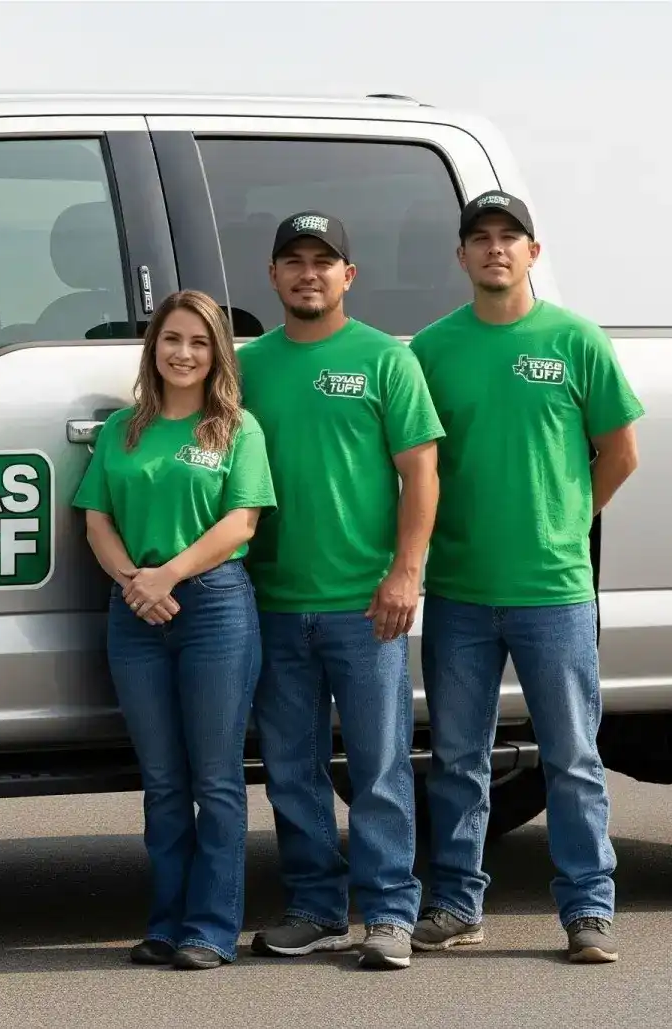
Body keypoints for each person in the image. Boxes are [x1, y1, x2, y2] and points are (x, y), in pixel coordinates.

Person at [408, 192, 642, 963]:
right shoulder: (432, 349)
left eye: (509, 238)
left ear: (532, 253)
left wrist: (568, 520)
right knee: (456, 757)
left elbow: (619, 449)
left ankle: (586, 910)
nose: (494, 249)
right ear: (461, 257)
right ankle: (453, 902)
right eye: (479, 239)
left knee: (571, 757)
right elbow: (416, 461)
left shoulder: (574, 339)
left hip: (555, 590)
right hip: (459, 589)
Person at [238, 212, 443, 971]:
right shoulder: (249, 366)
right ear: (272, 276)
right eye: (291, 260)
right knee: (290, 769)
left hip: (366, 604)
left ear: (347, 276)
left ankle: (389, 913)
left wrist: (404, 571)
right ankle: (315, 909)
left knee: (378, 765)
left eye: (323, 261)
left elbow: (421, 472)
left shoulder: (383, 359)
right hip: (272, 602)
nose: (307, 273)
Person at [73, 289, 275, 971]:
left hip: (213, 606)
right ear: (151, 348)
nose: (182, 353)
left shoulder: (235, 428)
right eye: (170, 339)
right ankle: (165, 922)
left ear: (215, 352)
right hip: (134, 610)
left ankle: (210, 928)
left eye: (197, 341)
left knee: (214, 779)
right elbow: (95, 518)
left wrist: (169, 576)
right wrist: (136, 579)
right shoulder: (121, 430)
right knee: (162, 781)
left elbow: (240, 521)